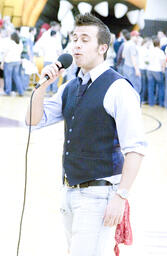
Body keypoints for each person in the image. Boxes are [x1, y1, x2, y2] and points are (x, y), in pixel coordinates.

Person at [26, 13, 146, 256]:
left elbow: (135, 149)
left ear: (102, 47)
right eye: (75, 39)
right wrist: (43, 87)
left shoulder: (118, 88)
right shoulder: (70, 87)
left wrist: (120, 197)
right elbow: (33, 120)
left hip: (99, 194)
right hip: (69, 191)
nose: (77, 45)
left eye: (84, 39)